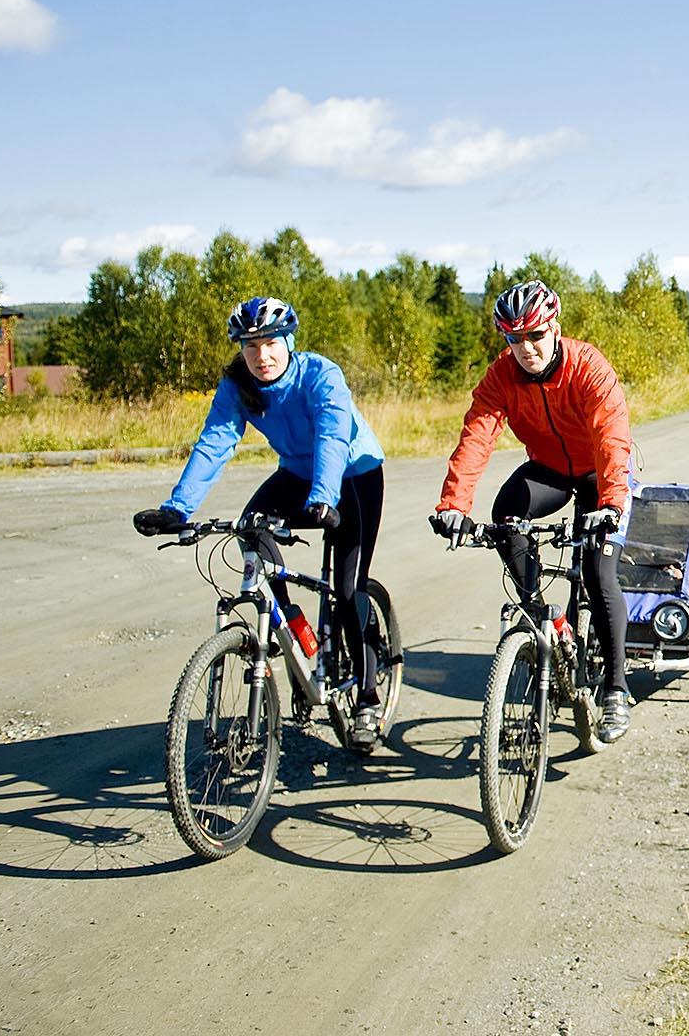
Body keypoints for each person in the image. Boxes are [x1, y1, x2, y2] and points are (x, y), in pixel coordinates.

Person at [132, 297, 389, 746]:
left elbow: (332, 434)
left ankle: (367, 699)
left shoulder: (320, 375)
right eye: (250, 346)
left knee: (349, 588)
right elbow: (215, 441)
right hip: (295, 472)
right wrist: (178, 508)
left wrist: (324, 498)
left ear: (288, 340)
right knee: (251, 530)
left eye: (270, 342)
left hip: (353, 473)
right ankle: (292, 631)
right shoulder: (238, 385)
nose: (261, 355)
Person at [430, 280, 636, 742]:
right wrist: (454, 506)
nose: (525, 348)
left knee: (599, 572)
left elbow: (612, 437)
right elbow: (478, 435)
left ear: (554, 328)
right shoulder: (503, 374)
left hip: (598, 476)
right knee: (507, 514)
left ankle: (616, 690)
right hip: (548, 470)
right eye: (513, 338)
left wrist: (611, 503)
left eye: (535, 336)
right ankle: (540, 615)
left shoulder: (588, 367)